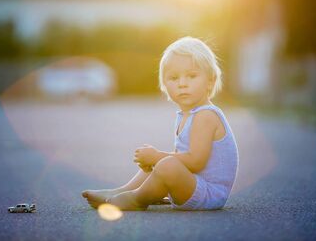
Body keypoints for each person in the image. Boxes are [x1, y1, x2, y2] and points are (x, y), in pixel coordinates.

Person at [82, 36, 238, 210]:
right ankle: (123, 191)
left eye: (192, 76)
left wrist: (158, 156)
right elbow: (184, 159)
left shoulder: (205, 115)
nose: (182, 84)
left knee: (165, 163)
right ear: (164, 86)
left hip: (209, 193)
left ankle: (137, 199)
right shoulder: (186, 114)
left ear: (210, 81)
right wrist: (155, 159)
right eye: (174, 78)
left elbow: (195, 162)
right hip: (193, 185)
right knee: (159, 163)